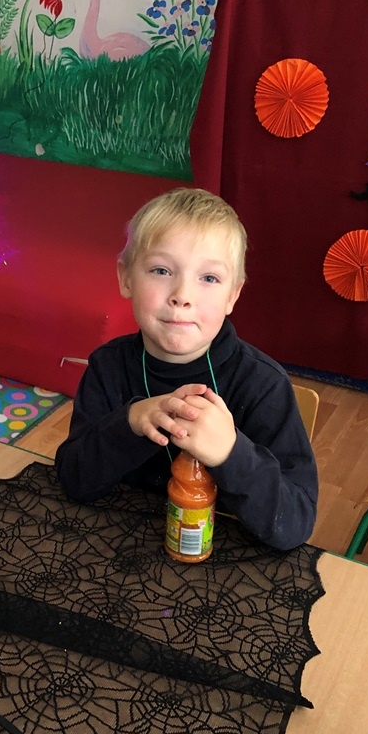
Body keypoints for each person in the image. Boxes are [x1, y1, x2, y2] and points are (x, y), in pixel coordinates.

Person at [55, 188, 317, 550]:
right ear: (126, 278)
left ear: (232, 295)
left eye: (208, 278)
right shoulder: (107, 366)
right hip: (117, 545)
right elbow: (73, 480)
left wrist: (230, 452)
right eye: (161, 270)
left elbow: (296, 522)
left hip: (222, 558)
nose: (182, 295)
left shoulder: (263, 385)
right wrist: (130, 422)